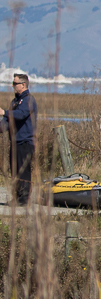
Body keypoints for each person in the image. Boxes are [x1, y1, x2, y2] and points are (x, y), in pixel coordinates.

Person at [0, 74, 37, 205]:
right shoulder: (15, 102)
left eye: (15, 83)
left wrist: (4, 112)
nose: (13, 86)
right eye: (12, 83)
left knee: (23, 171)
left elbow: (21, 115)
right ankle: (16, 197)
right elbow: (6, 121)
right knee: (14, 170)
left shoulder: (28, 100)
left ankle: (24, 199)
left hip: (25, 142)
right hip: (15, 142)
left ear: (23, 85)